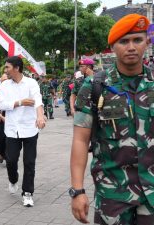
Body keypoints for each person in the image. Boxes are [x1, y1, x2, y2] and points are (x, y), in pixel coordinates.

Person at [70, 14, 154, 224]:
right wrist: (77, 190)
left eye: (137, 40)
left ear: (147, 42)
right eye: (124, 41)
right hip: (113, 194)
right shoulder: (94, 87)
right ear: (112, 47)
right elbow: (80, 140)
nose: (131, 47)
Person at [0, 56, 45, 207]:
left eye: (7, 67)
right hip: (12, 129)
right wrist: (20, 102)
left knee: (29, 162)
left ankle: (27, 193)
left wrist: (40, 117)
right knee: (11, 160)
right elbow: (2, 105)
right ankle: (13, 180)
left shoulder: (31, 83)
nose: (5, 70)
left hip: (30, 128)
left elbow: (37, 101)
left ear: (17, 68)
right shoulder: (5, 85)